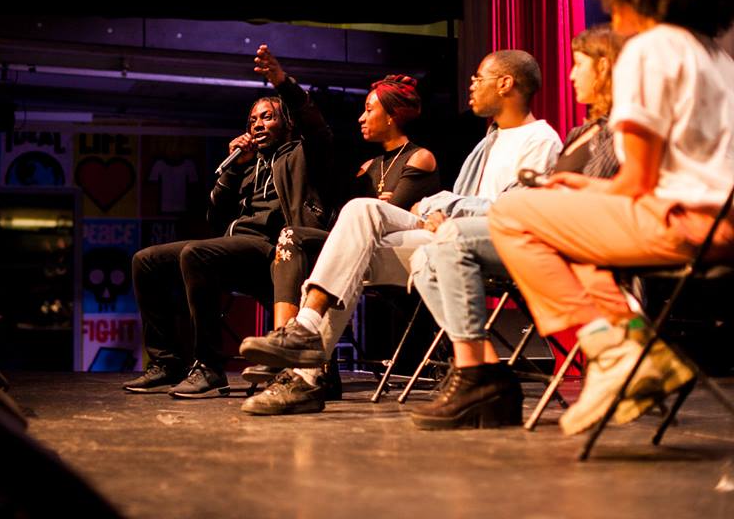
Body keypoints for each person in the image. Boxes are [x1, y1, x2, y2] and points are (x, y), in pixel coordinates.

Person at [488, 0, 734, 435]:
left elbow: (638, 185)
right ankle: (630, 342)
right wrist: (581, 191)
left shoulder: (650, 49)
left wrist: (581, 192)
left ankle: (612, 348)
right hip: (721, 222)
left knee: (513, 214)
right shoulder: (717, 58)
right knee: (565, 216)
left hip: (687, 225)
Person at [240, 49, 563, 414]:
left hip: (491, 244)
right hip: (447, 234)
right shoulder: (487, 142)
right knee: (360, 216)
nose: (471, 85)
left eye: (479, 78)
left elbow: (516, 211)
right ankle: (306, 359)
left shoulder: (540, 140)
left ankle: (304, 354)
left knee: (362, 227)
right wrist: (441, 210)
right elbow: (459, 201)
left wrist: (440, 208)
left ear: (505, 84)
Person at [407, 25, 623, 429]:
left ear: (605, 69)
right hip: (533, 231)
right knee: (423, 256)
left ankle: (477, 375)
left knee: (451, 238)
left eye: (579, 64)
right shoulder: (580, 133)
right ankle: (486, 371)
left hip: (561, 239)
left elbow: (588, 202)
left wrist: (456, 211)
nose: (570, 74)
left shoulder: (614, 132)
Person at [122, 44, 340, 398]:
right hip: (238, 248)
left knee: (196, 253)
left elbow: (315, 125)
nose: (258, 125)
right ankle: (166, 362)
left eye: (267, 117)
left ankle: (209, 366)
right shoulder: (248, 166)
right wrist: (234, 170)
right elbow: (216, 218)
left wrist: (282, 82)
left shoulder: (303, 154)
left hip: (275, 250)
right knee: (145, 261)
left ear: (286, 122)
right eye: (252, 120)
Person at [243, 72, 441, 387]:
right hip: (366, 249)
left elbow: (386, 219)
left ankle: (299, 351)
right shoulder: (367, 167)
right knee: (293, 238)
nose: (361, 117)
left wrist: (378, 206)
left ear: (391, 116)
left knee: (313, 236)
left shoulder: (420, 158)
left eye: (369, 110)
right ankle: (290, 345)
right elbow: (346, 220)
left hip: (403, 253)